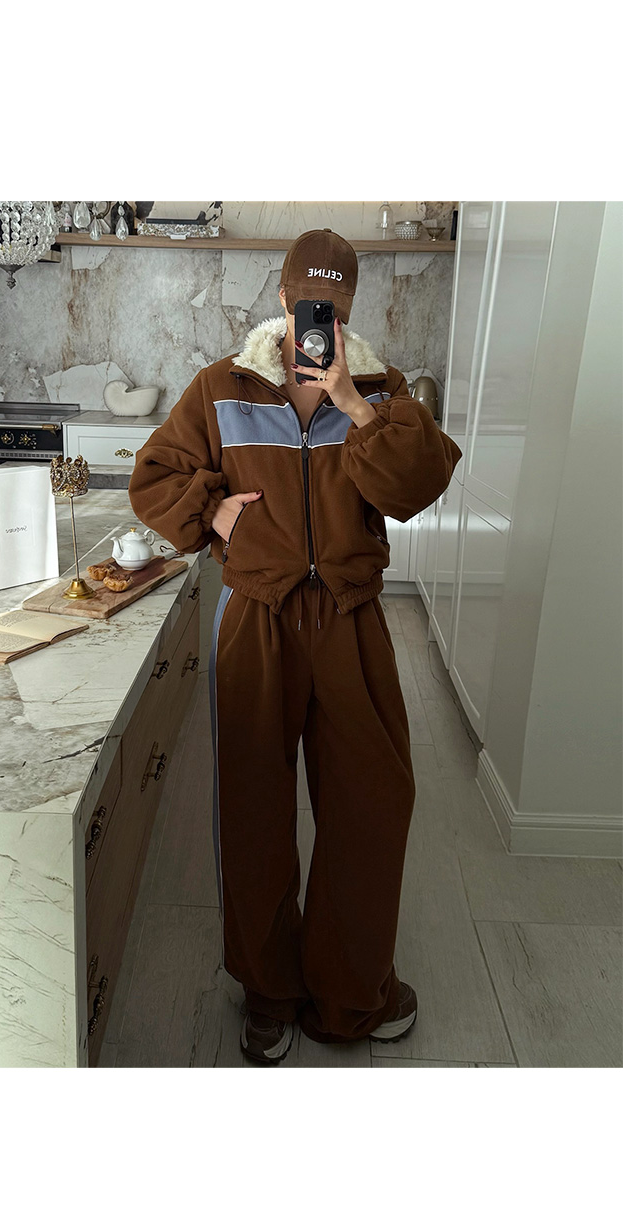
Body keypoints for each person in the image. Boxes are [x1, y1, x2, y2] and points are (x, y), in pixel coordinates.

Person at [128, 228, 463, 1065]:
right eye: (310, 303)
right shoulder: (223, 386)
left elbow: (420, 485)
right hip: (259, 617)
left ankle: (351, 994)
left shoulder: (382, 390)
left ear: (351, 307)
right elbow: (154, 474)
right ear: (282, 299)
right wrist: (210, 510)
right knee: (254, 807)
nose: (322, 319)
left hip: (352, 619)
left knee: (371, 806)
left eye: (336, 307)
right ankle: (269, 992)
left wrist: (353, 402)